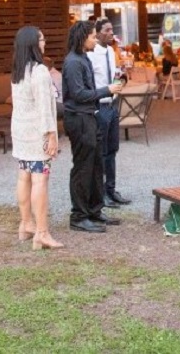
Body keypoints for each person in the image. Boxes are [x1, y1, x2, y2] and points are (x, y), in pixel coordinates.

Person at [62, 20, 124, 233]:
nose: (94, 39)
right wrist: (106, 90)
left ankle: (94, 211)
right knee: (83, 167)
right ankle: (78, 216)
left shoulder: (83, 59)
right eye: (91, 36)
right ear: (82, 38)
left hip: (90, 116)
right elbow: (78, 94)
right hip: (78, 119)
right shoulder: (72, 63)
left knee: (97, 165)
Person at [10, 26, 63, 250]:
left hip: (21, 132)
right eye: (41, 39)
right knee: (40, 180)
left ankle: (26, 224)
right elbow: (44, 108)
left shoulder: (18, 71)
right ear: (33, 43)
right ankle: (41, 232)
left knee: (24, 177)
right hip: (37, 132)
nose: (44, 42)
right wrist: (51, 135)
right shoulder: (40, 71)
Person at [88, 18, 131, 209]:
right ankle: (100, 193)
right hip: (100, 105)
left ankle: (111, 190)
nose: (111, 33)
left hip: (113, 105)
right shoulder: (90, 55)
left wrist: (122, 78)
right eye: (107, 30)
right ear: (97, 33)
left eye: (112, 30)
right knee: (101, 151)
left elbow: (114, 75)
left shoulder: (112, 52)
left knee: (112, 150)